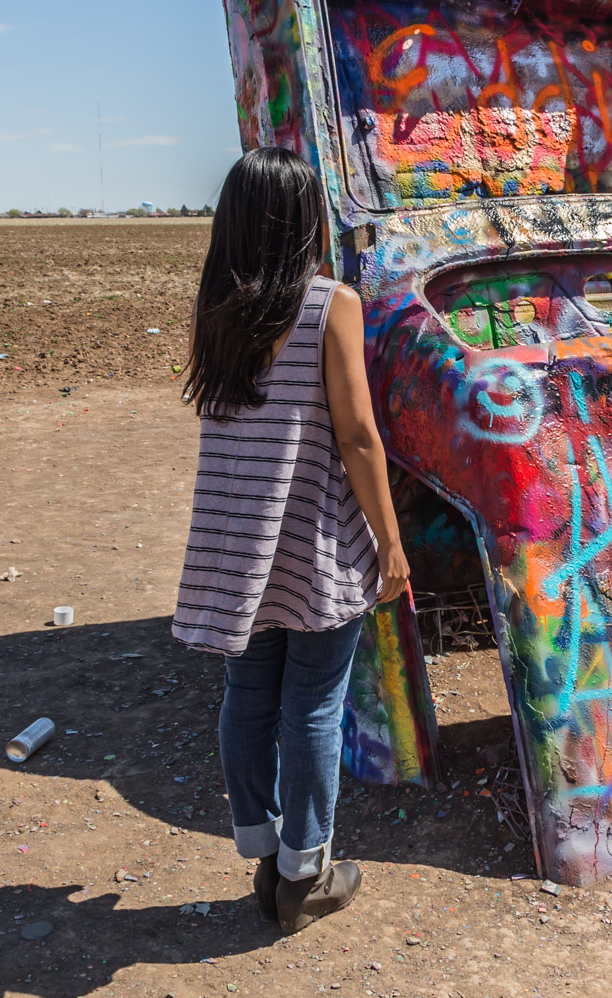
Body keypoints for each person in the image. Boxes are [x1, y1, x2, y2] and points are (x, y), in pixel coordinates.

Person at [173, 146, 411, 933]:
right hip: (311, 540)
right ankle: (305, 874)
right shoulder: (329, 303)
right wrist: (391, 541)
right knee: (314, 701)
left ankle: (264, 850)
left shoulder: (217, 309)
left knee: (249, 694)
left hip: (236, 544)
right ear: (301, 221)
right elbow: (360, 438)